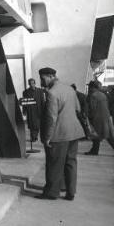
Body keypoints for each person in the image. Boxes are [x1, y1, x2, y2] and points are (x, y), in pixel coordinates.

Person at [36, 67, 84, 200]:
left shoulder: (52, 93)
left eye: (42, 78)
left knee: (54, 164)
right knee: (71, 162)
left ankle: (51, 193)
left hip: (59, 134)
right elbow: (77, 108)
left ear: (51, 76)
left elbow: (51, 118)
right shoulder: (69, 89)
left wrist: (47, 137)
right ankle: (70, 192)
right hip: (73, 132)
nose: (41, 81)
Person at [85, 80, 114, 155]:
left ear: (92, 87)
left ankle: (94, 151)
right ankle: (94, 150)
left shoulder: (93, 95)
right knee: (108, 135)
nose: (88, 88)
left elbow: (92, 108)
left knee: (96, 134)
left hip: (98, 118)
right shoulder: (103, 94)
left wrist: (89, 118)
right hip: (106, 117)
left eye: (89, 87)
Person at [22, 78, 46, 143]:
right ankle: (33, 137)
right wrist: (24, 111)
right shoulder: (25, 92)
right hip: (31, 111)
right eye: (30, 83)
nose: (31, 84)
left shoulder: (40, 91)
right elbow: (24, 102)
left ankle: (35, 136)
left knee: (38, 124)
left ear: (35, 83)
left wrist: (44, 110)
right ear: (29, 84)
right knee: (32, 125)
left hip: (39, 110)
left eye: (32, 83)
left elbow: (42, 101)